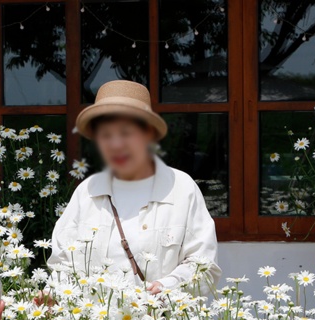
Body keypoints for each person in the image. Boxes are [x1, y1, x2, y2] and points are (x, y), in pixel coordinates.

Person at [49, 79, 221, 294]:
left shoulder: (181, 188)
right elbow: (62, 264)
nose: (116, 145)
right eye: (106, 135)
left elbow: (204, 265)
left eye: (126, 133)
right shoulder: (87, 192)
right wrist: (54, 294)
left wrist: (167, 287)